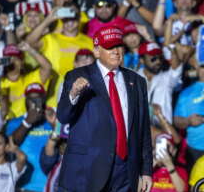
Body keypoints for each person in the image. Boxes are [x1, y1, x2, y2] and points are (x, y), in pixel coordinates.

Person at [57, 26, 153, 192]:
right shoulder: (76, 76)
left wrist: (146, 170)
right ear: (96, 51)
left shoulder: (137, 81)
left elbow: (143, 129)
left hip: (125, 170)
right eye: (109, 47)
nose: (116, 51)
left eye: (119, 46)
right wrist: (73, 94)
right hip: (86, 170)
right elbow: (63, 116)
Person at [5, 83, 54, 192]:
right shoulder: (15, 123)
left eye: (38, 99)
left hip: (51, 185)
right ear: (25, 101)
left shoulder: (52, 120)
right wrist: (27, 123)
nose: (35, 103)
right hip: (25, 186)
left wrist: (55, 124)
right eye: (31, 99)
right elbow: (10, 145)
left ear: (44, 100)